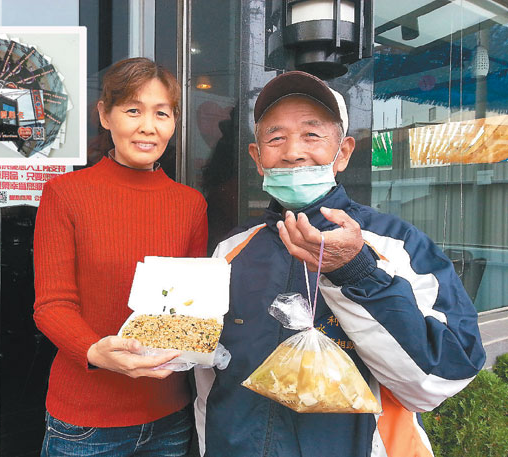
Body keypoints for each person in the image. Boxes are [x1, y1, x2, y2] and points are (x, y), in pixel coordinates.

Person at [194, 71, 485, 457]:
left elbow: (441, 378)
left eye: (312, 135)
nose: (293, 151)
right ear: (257, 158)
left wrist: (355, 270)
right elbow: (206, 378)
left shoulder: (396, 243)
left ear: (343, 152)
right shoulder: (231, 248)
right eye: (276, 137)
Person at [33, 57, 208, 457]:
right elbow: (51, 304)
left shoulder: (190, 204)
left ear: (174, 122)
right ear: (105, 115)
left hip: (170, 415)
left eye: (161, 113)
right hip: (85, 420)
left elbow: (191, 308)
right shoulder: (65, 194)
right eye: (133, 110)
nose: (148, 126)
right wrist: (95, 351)